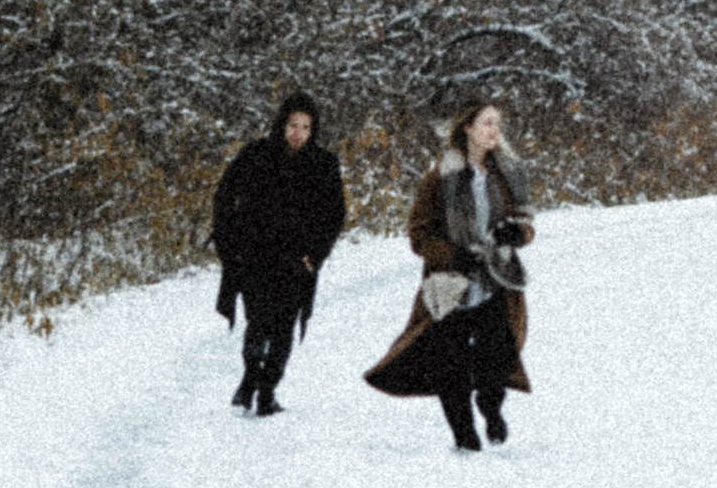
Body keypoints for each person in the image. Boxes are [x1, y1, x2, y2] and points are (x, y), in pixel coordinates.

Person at [363, 96, 535, 451]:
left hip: (496, 281)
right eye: (487, 122)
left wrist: (516, 234)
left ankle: (490, 407)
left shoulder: (508, 173)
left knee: (498, 356)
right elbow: (420, 233)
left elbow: (526, 221)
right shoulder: (439, 179)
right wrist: (452, 255)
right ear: (467, 128)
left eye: (497, 123)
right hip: (450, 283)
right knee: (448, 363)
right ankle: (464, 435)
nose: (495, 130)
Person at [211, 91, 347, 417]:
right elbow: (224, 196)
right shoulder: (256, 155)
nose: (297, 133)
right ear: (281, 124)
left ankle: (267, 391)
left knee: (284, 325)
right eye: (292, 125)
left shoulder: (323, 165)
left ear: (313, 130)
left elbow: (334, 215)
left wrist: (315, 255)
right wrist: (230, 246)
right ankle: (249, 380)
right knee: (257, 321)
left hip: (296, 260)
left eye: (305, 127)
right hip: (255, 254)